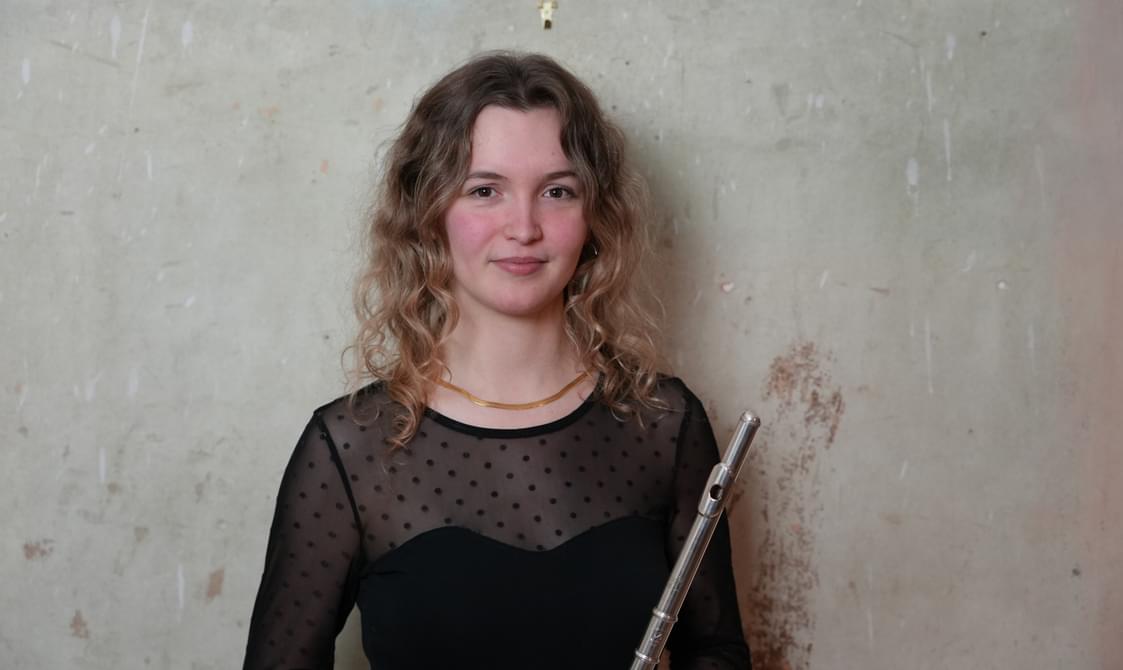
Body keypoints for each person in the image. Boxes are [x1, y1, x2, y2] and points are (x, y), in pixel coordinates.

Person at [243, 51, 752, 670]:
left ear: (593, 217)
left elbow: (718, 652)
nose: (524, 227)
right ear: (429, 213)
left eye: (557, 191)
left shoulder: (664, 425)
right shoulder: (351, 448)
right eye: (485, 190)